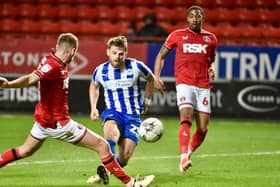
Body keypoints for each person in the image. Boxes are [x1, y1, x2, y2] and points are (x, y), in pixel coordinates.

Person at [0, 33, 154, 187]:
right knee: (103, 146)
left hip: (42, 122)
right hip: (59, 123)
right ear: (73, 51)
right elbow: (29, 79)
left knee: (24, 151)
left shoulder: (51, 60)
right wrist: (8, 84)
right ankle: (131, 183)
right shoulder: (53, 66)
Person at [153, 5, 217, 173]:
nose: (195, 18)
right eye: (192, 16)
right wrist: (156, 77)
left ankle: (188, 152)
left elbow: (210, 59)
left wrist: (211, 68)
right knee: (186, 118)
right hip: (184, 83)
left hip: (203, 85)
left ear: (203, 18)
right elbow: (161, 55)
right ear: (187, 19)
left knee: (203, 129)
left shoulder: (211, 39)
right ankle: (183, 158)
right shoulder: (177, 35)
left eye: (198, 16)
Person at [87, 36, 155, 184]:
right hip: (114, 111)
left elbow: (151, 79)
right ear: (108, 52)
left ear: (126, 53)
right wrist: (93, 107)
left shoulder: (136, 66)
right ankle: (108, 165)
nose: (117, 57)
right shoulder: (100, 70)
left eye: (121, 53)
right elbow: (94, 86)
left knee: (125, 156)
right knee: (110, 126)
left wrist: (147, 101)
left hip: (133, 116)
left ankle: (106, 171)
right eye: (114, 53)